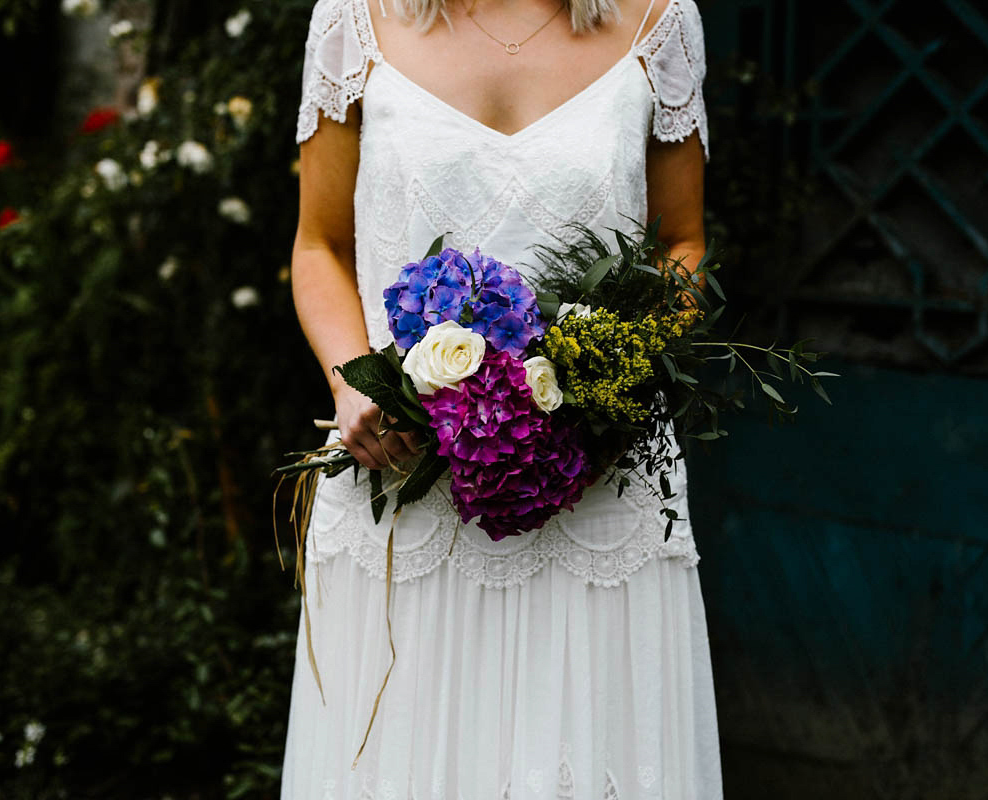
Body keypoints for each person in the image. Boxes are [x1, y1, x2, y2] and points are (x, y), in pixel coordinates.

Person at [281, 0, 722, 794]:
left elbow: (682, 243)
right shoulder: (356, 18)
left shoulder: (659, 18)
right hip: (403, 488)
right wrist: (352, 380)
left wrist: (610, 375)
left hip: (598, 489)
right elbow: (320, 243)